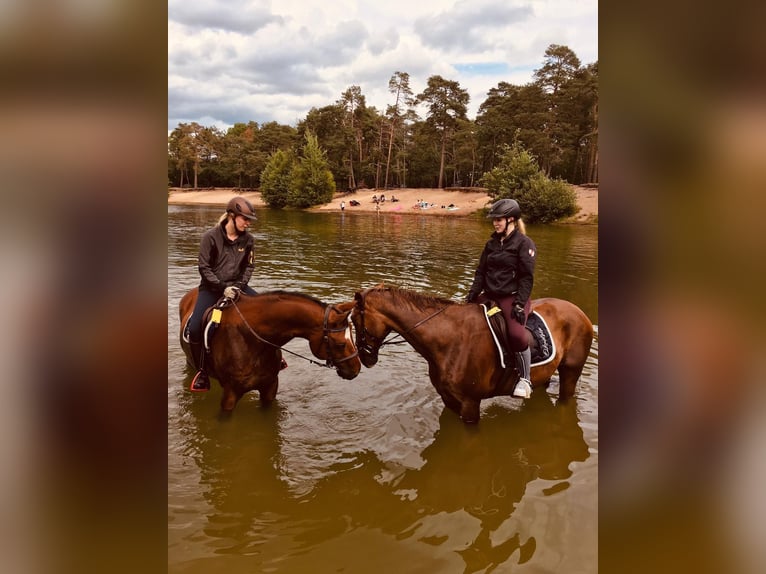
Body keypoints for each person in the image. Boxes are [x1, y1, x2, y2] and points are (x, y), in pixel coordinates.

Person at [465, 198, 537, 398]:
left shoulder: (524, 244)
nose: (495, 223)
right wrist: (472, 293)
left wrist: (520, 304)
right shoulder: (491, 244)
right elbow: (481, 271)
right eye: (494, 219)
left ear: (511, 219)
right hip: (489, 295)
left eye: (499, 219)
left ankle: (525, 379)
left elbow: (526, 278)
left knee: (516, 334)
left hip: (511, 297)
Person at [187, 196, 259, 392]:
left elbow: (249, 267)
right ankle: (201, 370)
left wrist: (238, 286)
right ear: (231, 216)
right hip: (211, 289)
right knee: (194, 329)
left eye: (249, 220)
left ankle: (274, 358)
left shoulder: (249, 240)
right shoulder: (210, 237)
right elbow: (204, 268)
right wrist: (221, 288)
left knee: (264, 312)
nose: (248, 223)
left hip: (238, 287)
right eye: (245, 219)